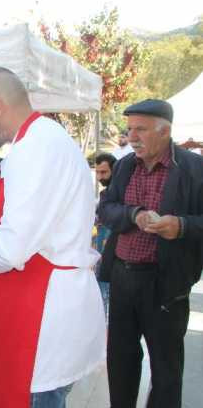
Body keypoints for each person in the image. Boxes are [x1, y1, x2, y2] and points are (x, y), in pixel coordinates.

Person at [0, 67, 105, 408]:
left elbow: (9, 250)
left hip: (41, 314)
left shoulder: (30, 150)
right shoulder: (50, 136)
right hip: (55, 300)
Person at [97, 99, 203, 408]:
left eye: (140, 129)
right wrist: (134, 214)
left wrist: (181, 226)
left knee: (166, 371)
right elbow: (106, 208)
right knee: (121, 362)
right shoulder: (126, 166)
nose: (132, 137)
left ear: (165, 131)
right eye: (130, 129)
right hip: (122, 277)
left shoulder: (194, 169)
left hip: (165, 284)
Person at [93, 152, 117, 316]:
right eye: (97, 172)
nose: (100, 177)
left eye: (104, 172)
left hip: (111, 256)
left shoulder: (117, 194)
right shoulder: (106, 194)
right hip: (101, 255)